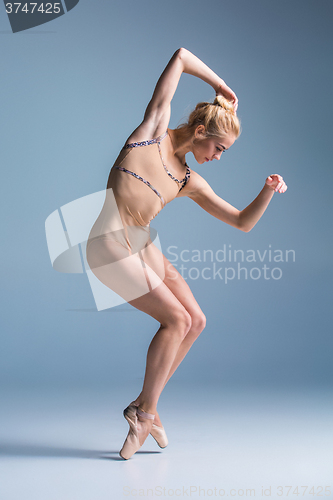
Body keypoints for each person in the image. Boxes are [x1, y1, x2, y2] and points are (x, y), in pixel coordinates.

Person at [85, 48, 287, 460]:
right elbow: (179, 57)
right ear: (199, 131)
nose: (218, 157)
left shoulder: (189, 180)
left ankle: (147, 407)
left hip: (141, 245)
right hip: (107, 246)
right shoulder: (151, 131)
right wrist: (219, 85)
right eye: (220, 148)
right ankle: (143, 414)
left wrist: (267, 192)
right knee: (175, 319)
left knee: (196, 320)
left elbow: (242, 222)